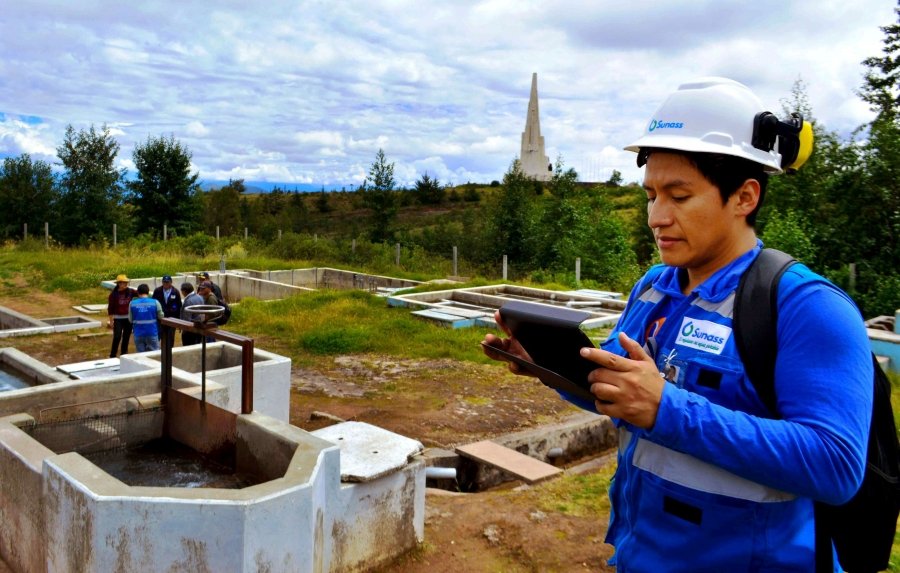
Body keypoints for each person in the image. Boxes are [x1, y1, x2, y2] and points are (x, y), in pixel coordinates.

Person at [482, 77, 873, 571]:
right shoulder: (654, 287)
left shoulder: (806, 307)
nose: (655, 217)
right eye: (650, 194)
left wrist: (668, 408)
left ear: (744, 197)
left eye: (679, 196)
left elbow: (835, 465)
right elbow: (617, 390)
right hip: (642, 556)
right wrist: (547, 365)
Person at [107, 274, 137, 358]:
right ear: (119, 283)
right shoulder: (113, 295)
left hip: (128, 318)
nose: (125, 284)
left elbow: (140, 293)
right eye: (123, 283)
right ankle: (112, 355)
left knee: (126, 336)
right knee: (117, 336)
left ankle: (124, 354)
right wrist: (111, 320)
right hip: (118, 318)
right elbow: (110, 308)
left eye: (126, 283)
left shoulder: (130, 291)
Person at [128, 283, 163, 352]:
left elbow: (130, 319)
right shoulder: (155, 302)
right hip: (152, 332)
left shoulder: (132, 303)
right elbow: (161, 316)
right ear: (148, 291)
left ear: (138, 292)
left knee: (141, 356)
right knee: (154, 355)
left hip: (138, 333)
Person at [152, 274, 182, 349]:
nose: (166, 284)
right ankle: (162, 351)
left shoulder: (175, 292)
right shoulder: (157, 291)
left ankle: (169, 351)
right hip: (160, 319)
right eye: (164, 282)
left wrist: (179, 321)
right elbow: (153, 303)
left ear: (171, 282)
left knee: (171, 337)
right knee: (161, 336)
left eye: (167, 282)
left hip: (172, 319)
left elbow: (179, 306)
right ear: (162, 282)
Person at [180, 282, 204, 346]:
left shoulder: (188, 301)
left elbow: (186, 319)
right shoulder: (200, 297)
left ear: (184, 291)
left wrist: (184, 331)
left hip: (190, 331)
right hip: (199, 327)